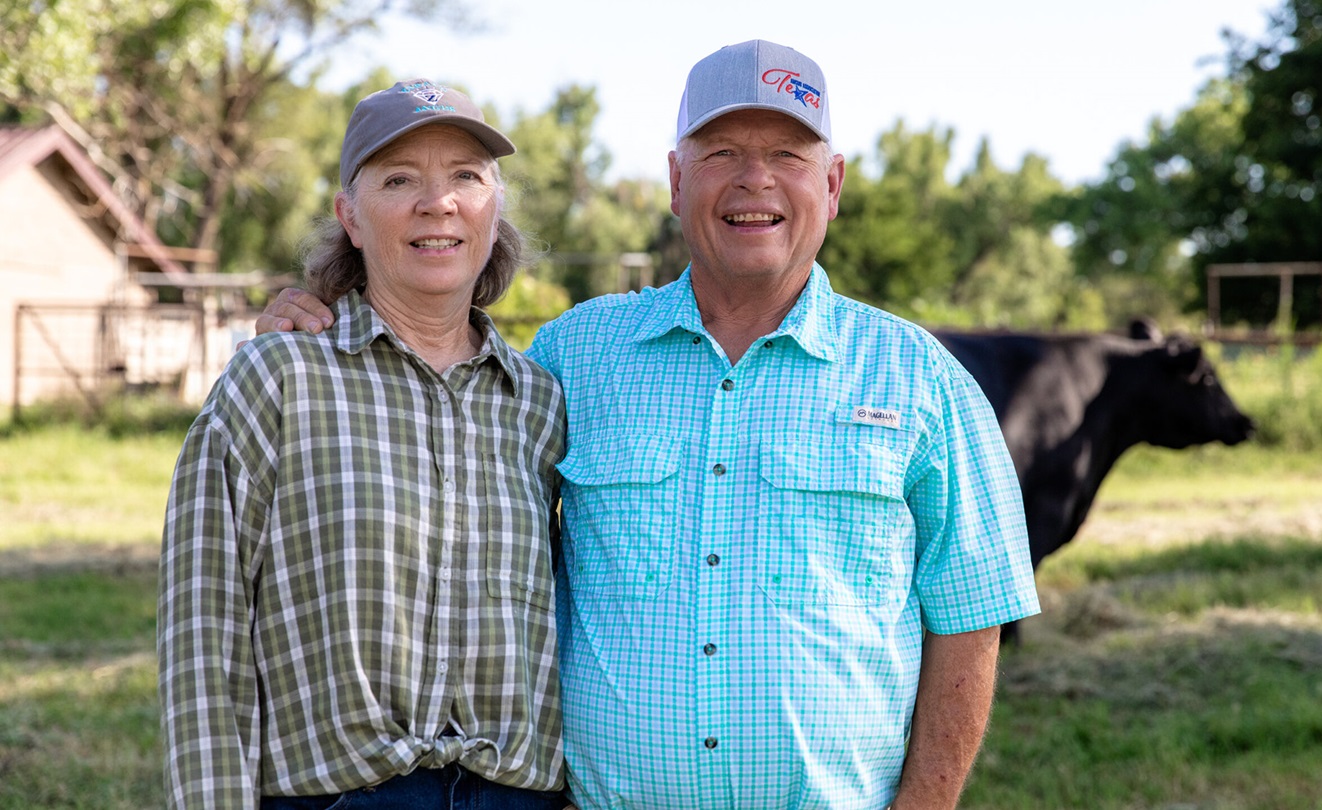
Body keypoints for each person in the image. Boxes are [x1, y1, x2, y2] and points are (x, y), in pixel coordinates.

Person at [257, 41, 1040, 810]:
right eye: (722, 152)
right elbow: (434, 415)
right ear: (675, 181)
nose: (755, 179)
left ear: (831, 184)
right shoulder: (574, 355)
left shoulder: (921, 378)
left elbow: (970, 616)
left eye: (787, 155)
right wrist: (325, 328)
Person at [159, 79, 570, 809]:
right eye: (399, 179)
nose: (438, 202)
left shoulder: (539, 402)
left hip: (516, 795)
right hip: (340, 795)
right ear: (350, 215)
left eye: (466, 177)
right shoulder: (279, 377)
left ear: (494, 207)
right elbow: (203, 629)